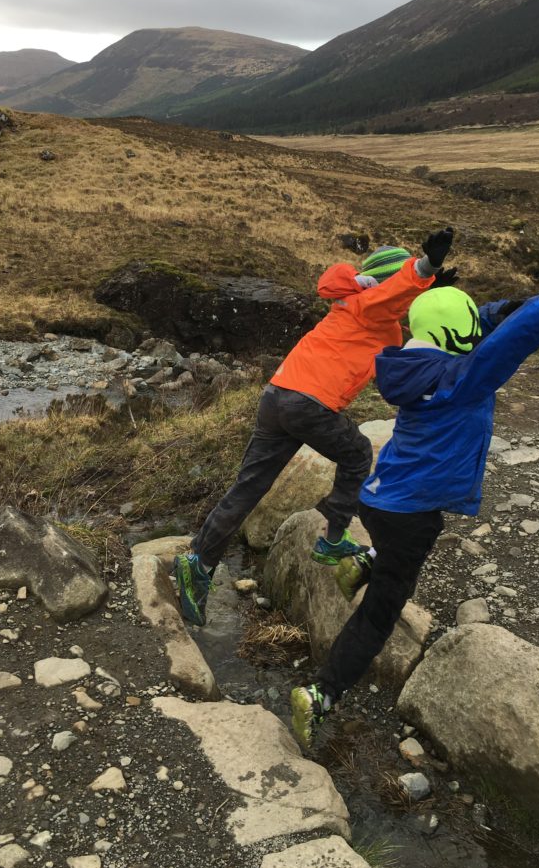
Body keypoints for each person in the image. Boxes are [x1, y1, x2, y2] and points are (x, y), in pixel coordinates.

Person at [290, 281, 539, 746]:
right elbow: (499, 351)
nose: (474, 335)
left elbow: (465, 324)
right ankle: (321, 693)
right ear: (454, 336)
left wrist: (504, 307)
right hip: (408, 511)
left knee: (419, 535)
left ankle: (366, 559)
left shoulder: (417, 363)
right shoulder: (460, 381)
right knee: (381, 612)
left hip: (384, 498)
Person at [173, 227, 457, 626]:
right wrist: (427, 267)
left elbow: (399, 341)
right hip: (308, 403)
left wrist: (431, 293)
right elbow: (376, 286)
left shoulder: (373, 319)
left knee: (248, 488)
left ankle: (197, 563)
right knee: (358, 453)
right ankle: (332, 540)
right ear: (385, 283)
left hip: (278, 396)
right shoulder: (366, 305)